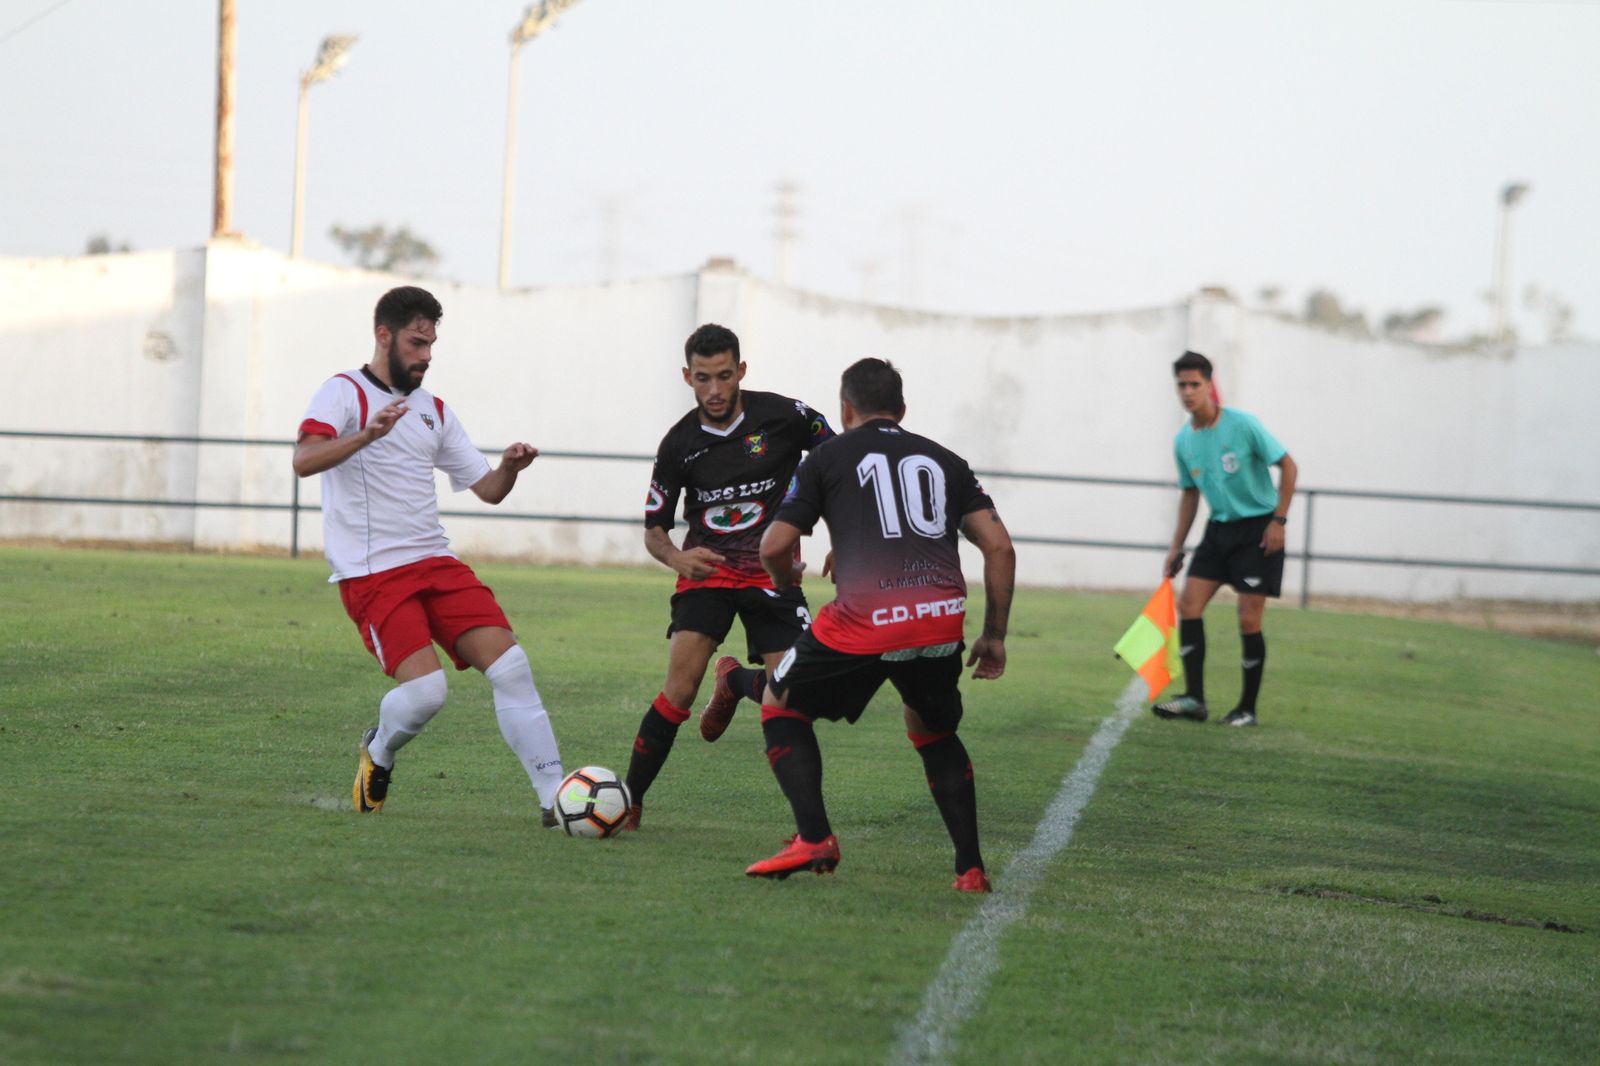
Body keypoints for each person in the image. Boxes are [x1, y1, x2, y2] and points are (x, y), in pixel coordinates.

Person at [294, 285, 564, 822]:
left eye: (432, 344)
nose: (426, 356)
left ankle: (555, 799)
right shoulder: (342, 392)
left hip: (435, 562)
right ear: (384, 335)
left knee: (512, 667)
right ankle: (380, 749)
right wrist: (365, 437)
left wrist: (509, 466)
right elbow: (304, 460)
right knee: (426, 695)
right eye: (417, 343)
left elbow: (487, 489)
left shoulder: (433, 410)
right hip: (373, 572)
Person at [748, 357, 1015, 892]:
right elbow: (1000, 548)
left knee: (781, 702)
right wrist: (994, 635)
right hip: (940, 623)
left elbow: (774, 546)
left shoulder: (826, 457)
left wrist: (786, 582)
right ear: (903, 409)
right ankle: (970, 869)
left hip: (865, 622)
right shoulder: (947, 461)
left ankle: (814, 836)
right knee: (933, 731)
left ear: (846, 408)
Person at [624, 323, 834, 829]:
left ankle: (737, 682)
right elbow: (654, 530)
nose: (714, 391)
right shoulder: (678, 443)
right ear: (686, 377)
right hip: (708, 574)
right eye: (702, 379)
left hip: (773, 575)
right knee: (679, 689)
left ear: (740, 370)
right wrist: (677, 559)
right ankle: (628, 802)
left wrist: (843, 537)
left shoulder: (786, 417)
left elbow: (838, 462)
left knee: (798, 697)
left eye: (723, 376)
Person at [1153, 350, 1298, 727]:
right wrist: (1176, 546)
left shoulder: (1243, 425)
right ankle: (1195, 700)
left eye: (1194, 384)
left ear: (1209, 386)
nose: (1187, 392)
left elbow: (1288, 465)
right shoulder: (1184, 441)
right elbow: (1190, 493)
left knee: (1248, 618)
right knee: (1188, 605)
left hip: (1258, 530)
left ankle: (1246, 709)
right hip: (1218, 531)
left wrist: (1278, 521)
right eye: (1181, 385)